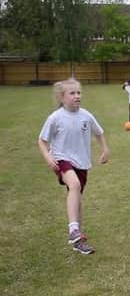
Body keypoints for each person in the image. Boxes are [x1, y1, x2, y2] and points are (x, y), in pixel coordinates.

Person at [38, 78, 109, 254]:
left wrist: (105, 149)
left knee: (76, 196)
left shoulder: (86, 115)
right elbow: (42, 140)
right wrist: (48, 157)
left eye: (79, 92)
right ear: (62, 97)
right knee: (74, 185)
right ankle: (73, 229)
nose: (77, 96)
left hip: (82, 162)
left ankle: (77, 238)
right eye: (72, 93)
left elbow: (99, 133)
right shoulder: (55, 117)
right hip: (62, 159)